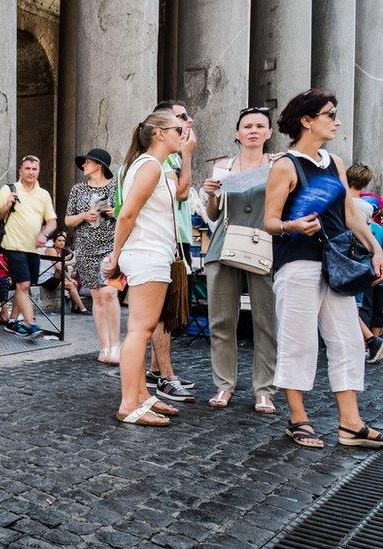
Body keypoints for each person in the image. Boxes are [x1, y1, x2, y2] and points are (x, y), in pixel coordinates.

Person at [263, 88, 383, 449]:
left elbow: (348, 212)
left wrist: (375, 247)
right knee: (297, 342)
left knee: (347, 341)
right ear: (307, 121)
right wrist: (292, 226)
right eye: (330, 114)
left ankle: (351, 424)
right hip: (297, 263)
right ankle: (297, 419)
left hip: (335, 265)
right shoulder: (286, 165)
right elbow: (269, 221)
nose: (337, 121)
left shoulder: (334, 163)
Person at [103, 109, 188, 426]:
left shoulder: (153, 166)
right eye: (178, 128)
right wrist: (115, 255)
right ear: (160, 134)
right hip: (147, 254)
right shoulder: (150, 166)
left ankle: (140, 395)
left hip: (149, 253)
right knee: (140, 329)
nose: (183, 133)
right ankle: (128, 403)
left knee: (142, 328)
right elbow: (126, 214)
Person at [200, 106, 279, 413]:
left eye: (260, 126)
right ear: (237, 133)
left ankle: (264, 390)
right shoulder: (224, 165)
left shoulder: (278, 164)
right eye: (247, 126)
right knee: (221, 321)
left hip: (263, 247)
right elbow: (213, 215)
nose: (253, 130)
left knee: (266, 322)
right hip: (224, 247)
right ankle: (223, 386)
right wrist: (210, 194)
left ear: (269, 133)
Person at [145, 101, 198, 403]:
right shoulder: (158, 161)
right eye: (181, 118)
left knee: (169, 313)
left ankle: (155, 370)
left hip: (177, 239)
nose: (187, 123)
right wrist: (188, 154)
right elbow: (182, 192)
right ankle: (166, 376)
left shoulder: (170, 159)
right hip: (161, 242)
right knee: (161, 314)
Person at [0, 155, 57, 339]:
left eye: (34, 169)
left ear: (39, 171)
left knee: (24, 287)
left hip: (33, 248)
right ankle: (32, 324)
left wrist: (44, 234)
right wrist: (7, 205)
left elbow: (52, 221)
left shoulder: (43, 194)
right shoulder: (9, 189)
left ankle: (12, 322)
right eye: (27, 168)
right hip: (12, 245)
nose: (31, 172)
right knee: (23, 284)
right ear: (20, 170)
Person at [65, 148, 121, 362]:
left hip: (111, 246)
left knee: (110, 293)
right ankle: (104, 346)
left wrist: (113, 212)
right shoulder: (78, 189)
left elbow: (128, 213)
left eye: (88, 162)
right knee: (96, 296)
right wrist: (83, 215)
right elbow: (68, 221)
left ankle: (116, 345)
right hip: (85, 248)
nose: (84, 165)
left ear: (99, 165)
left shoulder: (116, 187)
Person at [345, 163, 383, 361]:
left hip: (345, 260)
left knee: (348, 304)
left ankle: (367, 342)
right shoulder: (368, 207)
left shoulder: (346, 204)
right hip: (361, 261)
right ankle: (370, 341)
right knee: (355, 305)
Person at [39, 232, 88, 314]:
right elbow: (58, 268)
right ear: (54, 242)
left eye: (63, 241)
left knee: (71, 280)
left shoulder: (58, 252)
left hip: (51, 277)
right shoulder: (51, 250)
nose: (62, 242)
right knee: (71, 284)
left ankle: (74, 307)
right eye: (59, 241)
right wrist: (70, 279)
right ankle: (82, 309)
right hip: (44, 279)